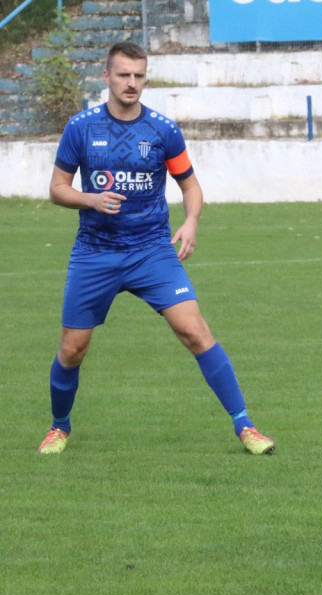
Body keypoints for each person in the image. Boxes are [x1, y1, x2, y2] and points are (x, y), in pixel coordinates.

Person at [37, 41, 275, 457]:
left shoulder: (163, 130)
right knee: (72, 349)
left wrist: (191, 221)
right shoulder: (81, 127)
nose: (132, 83)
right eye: (124, 75)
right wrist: (90, 199)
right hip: (96, 251)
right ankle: (59, 426)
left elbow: (190, 185)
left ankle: (246, 426)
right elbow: (57, 189)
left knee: (195, 331)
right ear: (107, 76)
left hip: (151, 250)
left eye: (139, 76)